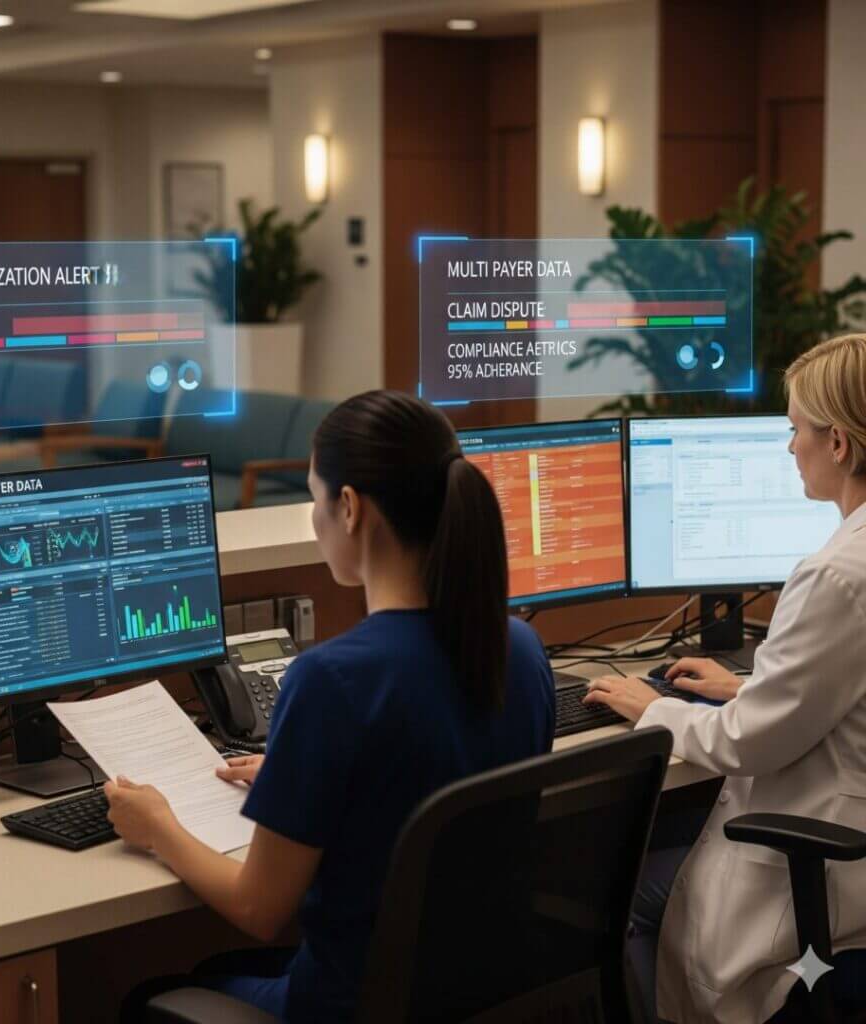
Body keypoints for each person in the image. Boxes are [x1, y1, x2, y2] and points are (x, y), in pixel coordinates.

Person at [107, 390, 556, 1023]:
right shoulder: (520, 648)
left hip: (346, 1007)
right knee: (213, 975)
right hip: (478, 996)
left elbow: (259, 910)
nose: (313, 521)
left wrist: (159, 827)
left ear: (349, 509)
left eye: (315, 498)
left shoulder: (330, 681)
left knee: (151, 997)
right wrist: (301, 777)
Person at [585, 333, 866, 1024]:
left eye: (796, 428)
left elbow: (747, 745)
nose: (789, 445)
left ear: (838, 444)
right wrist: (748, 687)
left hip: (823, 876)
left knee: (612, 903)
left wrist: (655, 707)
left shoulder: (836, 575)